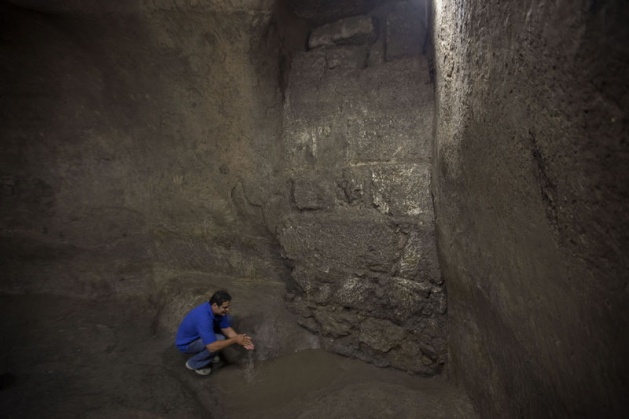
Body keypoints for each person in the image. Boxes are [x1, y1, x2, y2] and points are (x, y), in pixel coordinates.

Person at [175, 290, 254, 375]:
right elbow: (212, 347)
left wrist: (241, 339)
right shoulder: (204, 318)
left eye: (228, 306)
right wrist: (234, 340)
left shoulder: (213, 309)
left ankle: (207, 352)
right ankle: (194, 363)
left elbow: (226, 328)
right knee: (218, 341)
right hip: (187, 344)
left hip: (198, 335)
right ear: (215, 305)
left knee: (228, 319)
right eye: (225, 307)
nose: (228, 309)